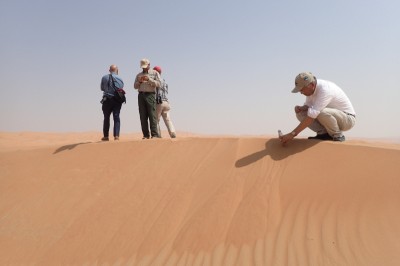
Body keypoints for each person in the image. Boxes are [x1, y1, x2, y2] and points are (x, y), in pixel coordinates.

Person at [279, 72, 356, 145]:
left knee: (320, 112)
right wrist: (301, 108)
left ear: (311, 85)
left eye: (302, 89)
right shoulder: (311, 91)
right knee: (301, 113)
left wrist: (292, 134)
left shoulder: (325, 90)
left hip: (347, 119)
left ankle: (337, 135)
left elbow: (311, 116)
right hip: (331, 117)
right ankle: (323, 134)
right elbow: (308, 106)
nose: (301, 92)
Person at [134, 58, 161, 139]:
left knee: (152, 115)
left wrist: (149, 79)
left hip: (150, 95)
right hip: (141, 95)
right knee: (143, 116)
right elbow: (135, 86)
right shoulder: (138, 75)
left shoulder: (154, 73)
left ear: (149, 65)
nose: (144, 68)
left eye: (145, 66)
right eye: (143, 67)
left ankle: (154, 135)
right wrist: (139, 82)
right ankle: (145, 135)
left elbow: (159, 84)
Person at [100, 64, 124, 141]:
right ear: (117, 70)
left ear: (109, 70)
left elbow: (102, 88)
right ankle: (116, 136)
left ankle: (106, 136)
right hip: (117, 100)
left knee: (106, 118)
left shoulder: (104, 77)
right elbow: (121, 87)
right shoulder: (120, 78)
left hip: (107, 99)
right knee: (116, 117)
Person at [153, 66, 177, 138]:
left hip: (159, 102)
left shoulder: (156, 81)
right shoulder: (164, 81)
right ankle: (172, 132)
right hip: (166, 102)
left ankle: (158, 135)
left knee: (156, 120)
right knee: (168, 119)